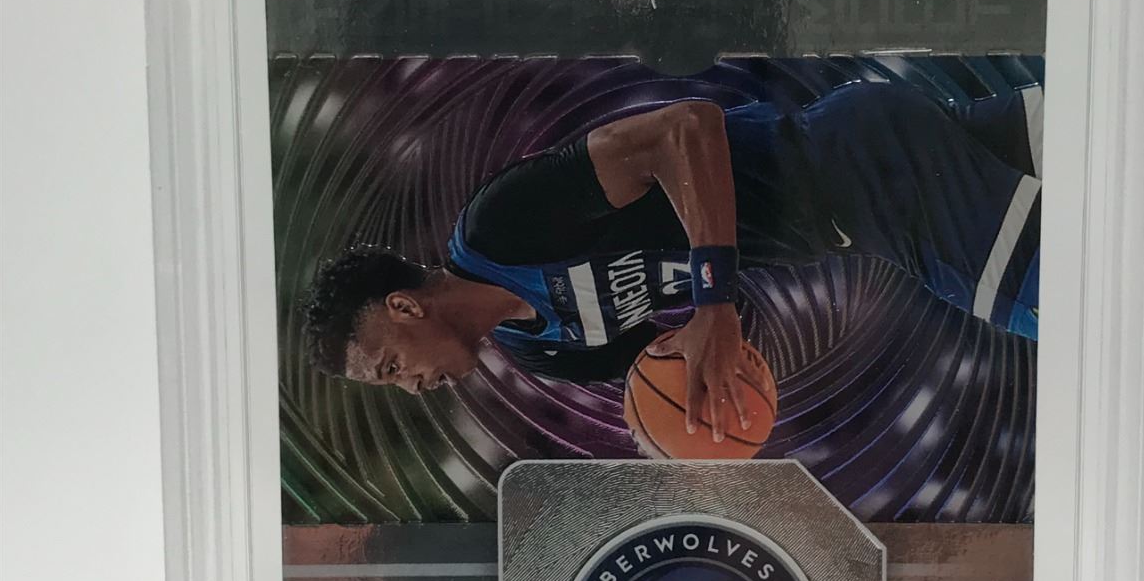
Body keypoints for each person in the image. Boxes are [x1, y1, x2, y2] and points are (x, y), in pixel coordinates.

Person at [302, 77, 1041, 441]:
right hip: (869, 208)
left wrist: (712, 302)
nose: (411, 388)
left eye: (391, 366)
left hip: (861, 171)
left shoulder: (502, 226)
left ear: (405, 306)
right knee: (1100, 131)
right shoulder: (547, 352)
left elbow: (687, 126)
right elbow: (699, 363)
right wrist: (691, 439)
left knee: (1073, 304)